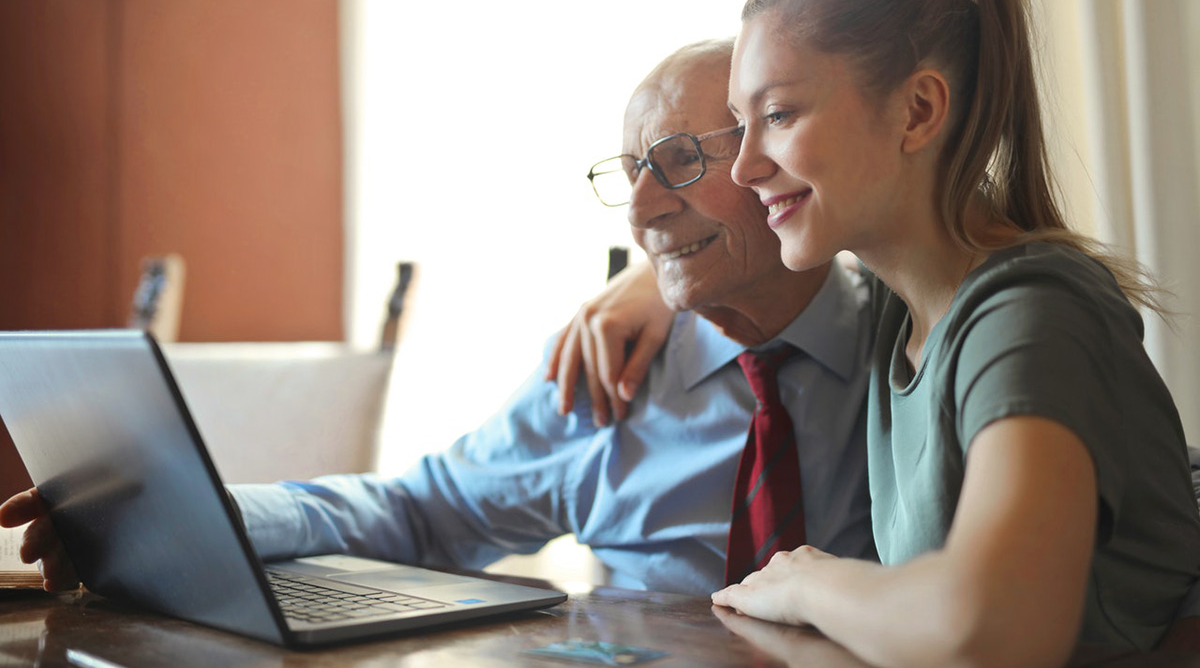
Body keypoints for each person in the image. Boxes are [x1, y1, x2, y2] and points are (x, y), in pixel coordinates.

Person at [0, 38, 876, 598]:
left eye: (680, 160)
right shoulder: (608, 371)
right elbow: (422, 512)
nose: (639, 210)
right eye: (630, 170)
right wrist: (199, 514)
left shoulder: (916, 339)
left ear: (780, 156)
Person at [553, 0, 1200, 665]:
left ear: (918, 111)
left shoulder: (1032, 316)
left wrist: (807, 583)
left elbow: (990, 631)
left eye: (776, 116)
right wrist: (660, 277)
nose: (743, 167)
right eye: (740, 127)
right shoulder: (907, 310)